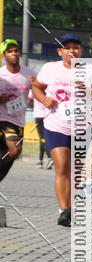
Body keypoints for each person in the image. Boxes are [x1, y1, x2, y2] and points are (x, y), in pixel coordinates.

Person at [33, 33, 92, 227]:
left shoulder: (91, 71)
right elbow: (36, 87)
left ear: (81, 51)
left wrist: (87, 90)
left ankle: (70, 207)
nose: (72, 51)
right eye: (67, 48)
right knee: (62, 166)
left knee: (77, 172)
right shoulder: (50, 69)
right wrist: (43, 99)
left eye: (76, 47)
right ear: (59, 51)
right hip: (56, 125)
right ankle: (64, 210)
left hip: (82, 127)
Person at [0, 39, 36, 182]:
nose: (14, 53)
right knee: (15, 149)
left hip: (19, 122)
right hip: (2, 119)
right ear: (4, 56)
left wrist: (32, 97)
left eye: (16, 50)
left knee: (11, 156)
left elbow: (37, 90)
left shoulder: (29, 73)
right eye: (10, 51)